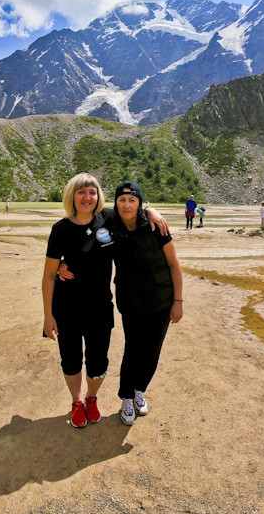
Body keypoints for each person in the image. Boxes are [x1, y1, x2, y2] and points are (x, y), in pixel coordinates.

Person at [42, 173, 169, 429]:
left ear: (98, 196)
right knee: (71, 358)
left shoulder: (108, 219)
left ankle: (92, 398)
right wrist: (48, 315)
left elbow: (132, 208)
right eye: (81, 192)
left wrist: (152, 211)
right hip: (67, 307)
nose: (87, 197)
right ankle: (76, 402)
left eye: (92, 192)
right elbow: (47, 275)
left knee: (98, 360)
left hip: (100, 306)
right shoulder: (60, 230)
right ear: (72, 196)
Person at [109, 181, 183, 426]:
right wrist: (64, 263)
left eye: (133, 200)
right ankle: (126, 397)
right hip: (130, 302)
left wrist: (178, 302)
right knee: (133, 349)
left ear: (140, 202)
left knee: (152, 350)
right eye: (122, 200)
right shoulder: (110, 227)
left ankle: (140, 390)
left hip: (161, 301)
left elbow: (174, 265)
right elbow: (86, 241)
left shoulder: (156, 227)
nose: (127, 204)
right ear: (116, 202)